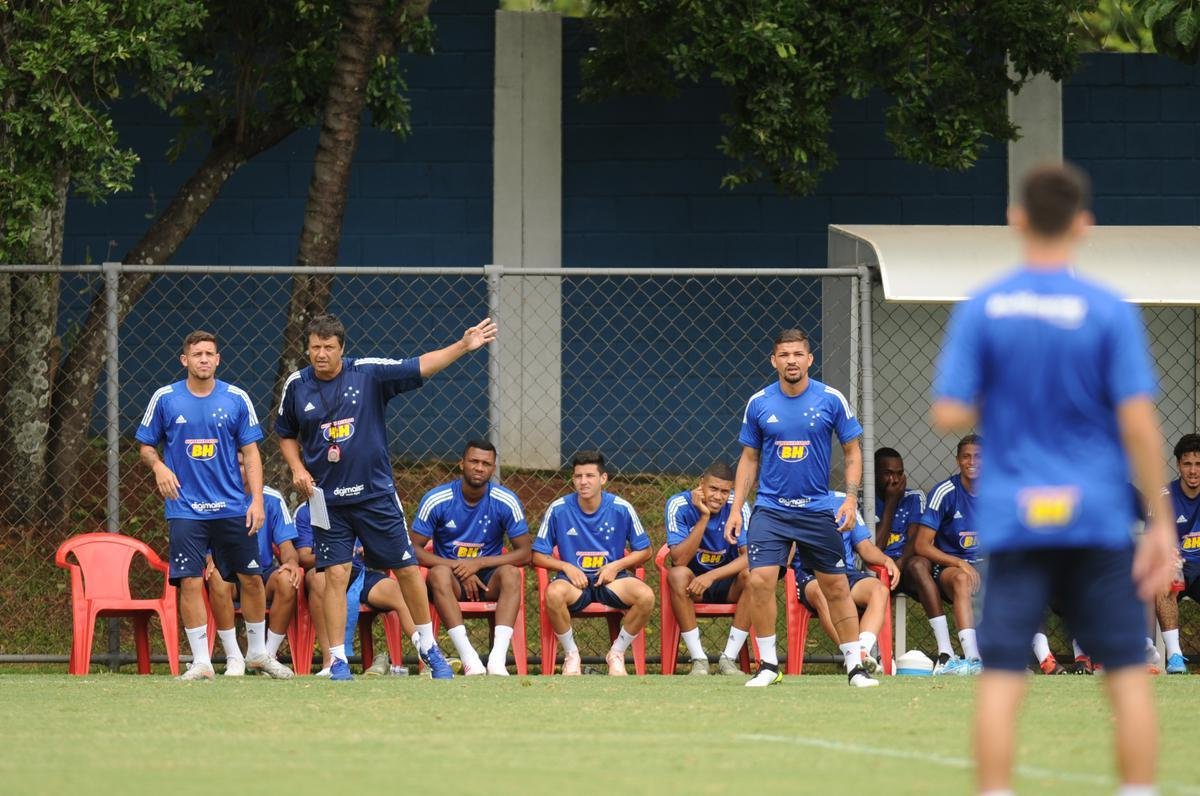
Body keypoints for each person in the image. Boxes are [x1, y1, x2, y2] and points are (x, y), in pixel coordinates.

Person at [931, 162, 1176, 796]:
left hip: (1016, 516)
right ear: (1083, 225)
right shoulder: (1105, 310)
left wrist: (1006, 392)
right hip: (1096, 516)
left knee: (1002, 676)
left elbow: (948, 412)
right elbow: (1140, 425)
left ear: (1016, 220)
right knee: (1125, 673)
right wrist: (1159, 526)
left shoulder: (986, 305)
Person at [276, 313, 493, 680]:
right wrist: (297, 468)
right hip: (325, 499)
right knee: (334, 575)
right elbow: (285, 433)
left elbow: (420, 366)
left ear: (342, 348)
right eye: (315, 347)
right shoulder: (297, 385)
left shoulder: (368, 373)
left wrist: (462, 345)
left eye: (329, 347)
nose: (321, 354)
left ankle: (429, 650)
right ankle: (337, 661)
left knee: (408, 569)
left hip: (374, 495)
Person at [724, 328, 877, 688]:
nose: (791, 361)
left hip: (817, 509)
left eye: (798, 354)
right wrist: (736, 507)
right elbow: (748, 459)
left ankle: (855, 667)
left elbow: (853, 451)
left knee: (836, 586)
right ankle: (768, 666)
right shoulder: (759, 402)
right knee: (759, 580)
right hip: (771, 509)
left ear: (809, 359)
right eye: (784, 355)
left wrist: (852, 497)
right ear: (773, 360)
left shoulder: (831, 399)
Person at [136, 330, 268, 681]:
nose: (204, 359)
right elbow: (146, 446)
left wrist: (256, 501)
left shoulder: (237, 398)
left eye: (210, 354)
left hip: (231, 507)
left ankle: (257, 654)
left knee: (252, 579)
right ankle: (201, 662)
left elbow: (252, 453)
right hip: (186, 509)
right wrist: (158, 465)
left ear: (218, 359)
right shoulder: (165, 399)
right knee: (191, 581)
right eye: (197, 354)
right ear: (185, 360)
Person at [410, 440, 532, 676]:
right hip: (449, 581)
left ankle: (497, 659)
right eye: (474, 461)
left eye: (486, 463)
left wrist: (478, 564)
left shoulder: (505, 500)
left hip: (489, 580)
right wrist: (459, 567)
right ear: (461, 464)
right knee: (438, 573)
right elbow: (413, 549)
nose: (479, 467)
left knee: (510, 573)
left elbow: (525, 552)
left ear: (493, 468)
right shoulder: (437, 499)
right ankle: (469, 658)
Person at [532, 451, 654, 676]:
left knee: (645, 597)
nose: (583, 482)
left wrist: (615, 566)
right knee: (554, 593)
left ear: (603, 478)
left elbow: (645, 550)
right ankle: (572, 656)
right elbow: (537, 556)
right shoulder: (558, 509)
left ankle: (616, 654)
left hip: (611, 580)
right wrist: (566, 567)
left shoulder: (621, 508)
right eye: (578, 476)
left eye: (590, 475)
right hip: (574, 583)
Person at [205, 457, 299, 679]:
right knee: (216, 576)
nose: (240, 469)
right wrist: (209, 558)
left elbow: (287, 546)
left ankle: (267, 655)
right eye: (235, 463)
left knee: (288, 579)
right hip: (229, 571)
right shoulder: (215, 495)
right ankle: (234, 657)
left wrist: (292, 562)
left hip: (262, 573)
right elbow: (203, 540)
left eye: (244, 464)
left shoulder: (272, 498)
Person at [793, 493, 900, 674]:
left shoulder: (842, 501)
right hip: (809, 574)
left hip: (844, 572)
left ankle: (862, 651)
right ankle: (851, 653)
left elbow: (864, 547)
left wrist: (886, 560)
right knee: (822, 591)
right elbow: (784, 556)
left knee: (879, 590)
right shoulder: (790, 503)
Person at [663, 462, 752, 676]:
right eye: (713, 489)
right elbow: (679, 560)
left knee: (753, 575)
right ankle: (699, 660)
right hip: (693, 586)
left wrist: (711, 576)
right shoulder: (678, 504)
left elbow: (750, 556)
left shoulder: (738, 506)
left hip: (728, 582)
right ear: (701, 484)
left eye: (725, 491)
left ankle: (728, 660)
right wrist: (703, 517)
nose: (718, 497)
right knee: (676, 575)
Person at [913, 435, 985, 676]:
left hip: (987, 566)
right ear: (958, 460)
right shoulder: (945, 491)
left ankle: (1014, 659)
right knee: (962, 579)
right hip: (950, 569)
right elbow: (922, 545)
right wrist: (959, 562)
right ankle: (973, 658)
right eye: (966, 456)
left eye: (978, 456)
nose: (972, 461)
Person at [873, 447, 950, 658]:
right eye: (888, 473)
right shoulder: (866, 502)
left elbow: (916, 542)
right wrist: (890, 503)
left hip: (906, 567)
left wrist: (898, 566)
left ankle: (946, 651)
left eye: (899, 473)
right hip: (875, 568)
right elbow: (875, 548)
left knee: (918, 563)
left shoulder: (915, 497)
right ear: (874, 474)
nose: (895, 480)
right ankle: (872, 654)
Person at [1155, 433, 1200, 675]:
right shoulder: (1164, 496)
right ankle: (1174, 657)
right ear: (1178, 465)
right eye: (1188, 464)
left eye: (1199, 464)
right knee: (1164, 576)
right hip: (1176, 563)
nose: (1193, 470)